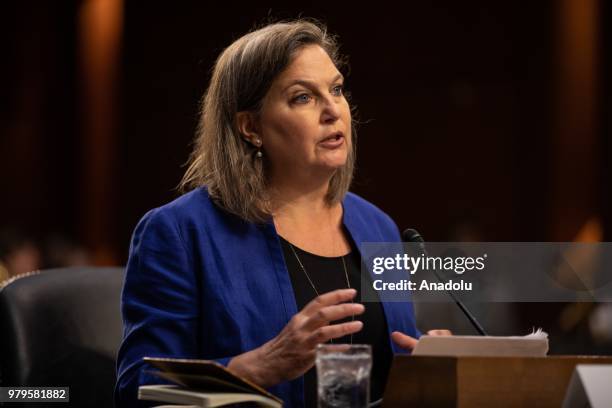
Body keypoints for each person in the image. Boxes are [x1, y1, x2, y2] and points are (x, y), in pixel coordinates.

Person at [115, 19, 446, 408]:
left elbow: (383, 368)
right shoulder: (180, 232)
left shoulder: (378, 226)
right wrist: (261, 366)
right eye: (303, 97)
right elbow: (141, 393)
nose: (332, 111)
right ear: (251, 127)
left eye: (336, 90)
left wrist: (425, 367)